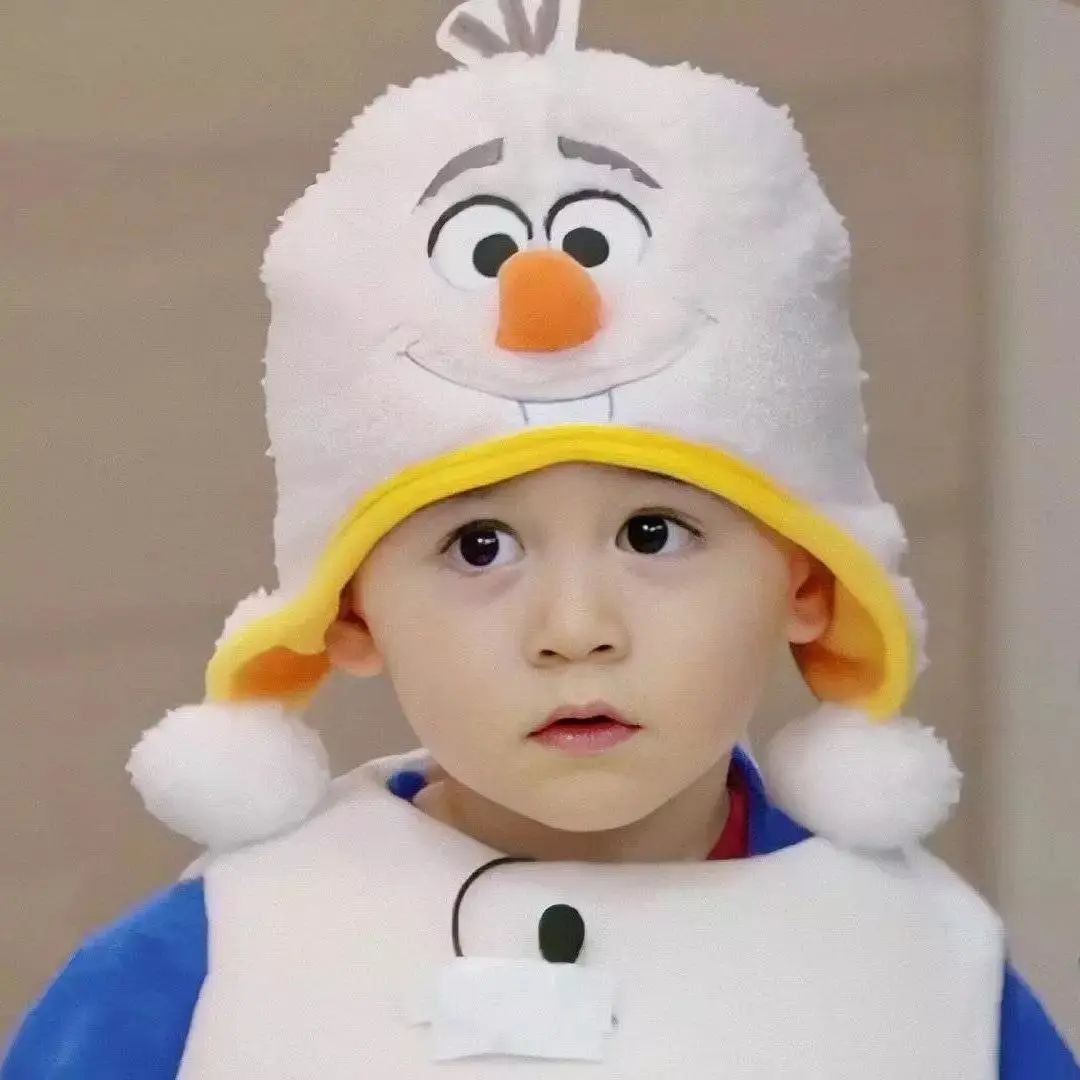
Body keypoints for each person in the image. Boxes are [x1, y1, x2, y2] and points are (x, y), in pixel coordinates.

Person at [4, 0, 1077, 1075]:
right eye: (480, 547)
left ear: (806, 580)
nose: (575, 629)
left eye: (654, 533)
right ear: (349, 611)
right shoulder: (214, 968)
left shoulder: (925, 978)